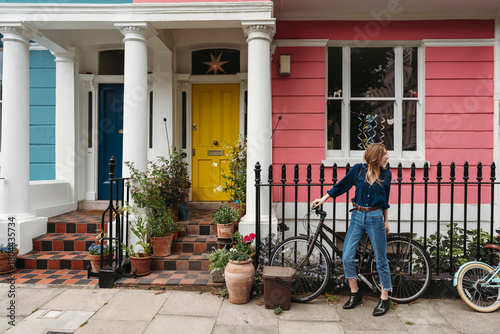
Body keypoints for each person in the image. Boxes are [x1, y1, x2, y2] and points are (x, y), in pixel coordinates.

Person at [312, 143, 392, 316]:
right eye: (384, 154)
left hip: (375, 217)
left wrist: (386, 221)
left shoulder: (386, 174)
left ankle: (384, 298)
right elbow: (342, 185)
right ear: (375, 155)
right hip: (357, 216)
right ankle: (355, 293)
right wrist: (324, 198)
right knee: (347, 257)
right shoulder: (358, 170)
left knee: (381, 260)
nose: (387, 157)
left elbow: (385, 201)